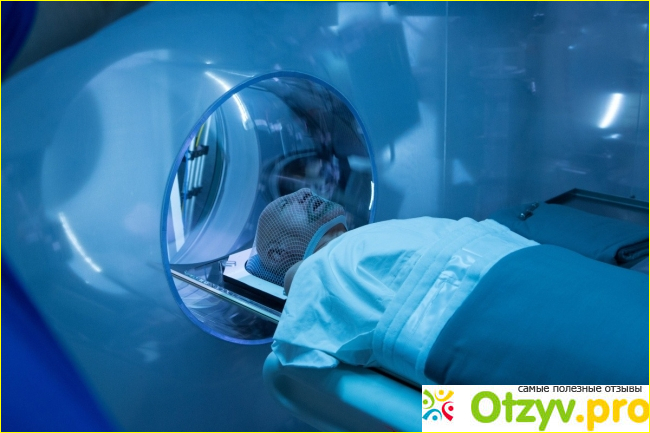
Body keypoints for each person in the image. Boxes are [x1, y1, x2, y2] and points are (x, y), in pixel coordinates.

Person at [248, 189, 648, 385]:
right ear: (279, 251)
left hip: (526, 264)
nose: (304, 193)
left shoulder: (380, 232)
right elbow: (297, 351)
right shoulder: (315, 272)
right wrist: (296, 272)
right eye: (287, 204)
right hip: (482, 312)